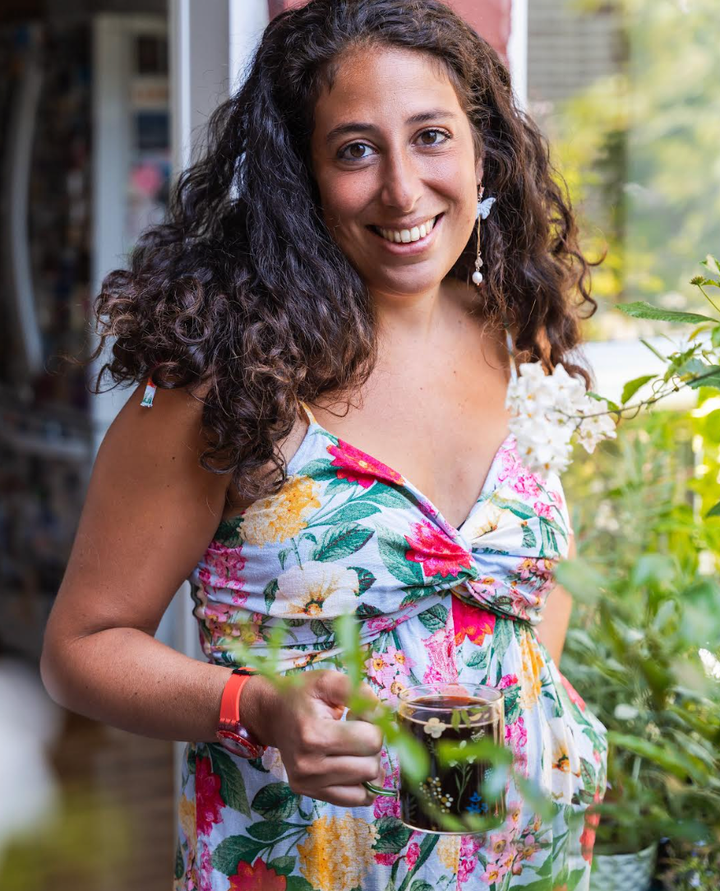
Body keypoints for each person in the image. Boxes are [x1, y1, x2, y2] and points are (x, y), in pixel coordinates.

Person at [40, 1, 608, 888]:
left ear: (483, 147)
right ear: (299, 174)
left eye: (430, 136)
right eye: (353, 150)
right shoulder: (221, 380)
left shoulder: (518, 337)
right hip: (305, 864)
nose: (402, 189)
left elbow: (540, 573)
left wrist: (540, 706)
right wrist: (255, 705)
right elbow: (80, 648)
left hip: (521, 859)